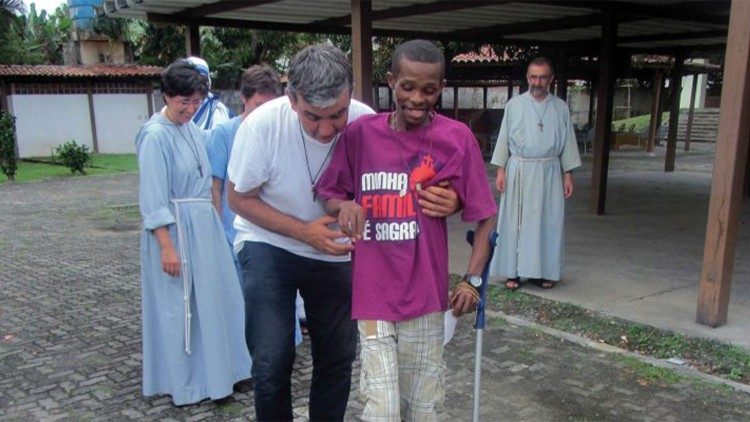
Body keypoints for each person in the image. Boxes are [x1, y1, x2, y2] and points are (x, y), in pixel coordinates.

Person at [226, 44, 461, 421]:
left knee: (336, 358)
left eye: (337, 114)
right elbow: (238, 199)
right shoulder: (261, 126)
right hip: (269, 244)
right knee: (271, 361)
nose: (326, 129)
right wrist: (304, 232)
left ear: (350, 95)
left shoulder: (365, 122)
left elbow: (404, 185)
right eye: (312, 117)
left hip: (335, 250)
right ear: (292, 99)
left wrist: (453, 202)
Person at [316, 39, 497, 421]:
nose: (417, 98)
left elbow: (486, 216)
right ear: (391, 82)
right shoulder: (360, 134)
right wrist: (344, 205)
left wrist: (472, 281)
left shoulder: (457, 139)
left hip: (426, 298)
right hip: (373, 296)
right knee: (382, 411)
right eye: (408, 87)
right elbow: (329, 192)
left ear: (440, 89)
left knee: (422, 410)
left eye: (429, 90)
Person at [135, 59, 251, 405]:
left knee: (216, 300)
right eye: (183, 102)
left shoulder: (189, 129)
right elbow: (153, 197)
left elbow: (217, 140)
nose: (190, 109)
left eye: (196, 102)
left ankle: (224, 373)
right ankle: (189, 382)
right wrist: (166, 246)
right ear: (167, 97)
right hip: (176, 231)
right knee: (182, 305)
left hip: (203, 226)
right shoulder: (155, 136)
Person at [205, 65, 304, 353]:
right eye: (258, 106)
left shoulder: (282, 130)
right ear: (243, 99)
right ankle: (245, 353)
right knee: (244, 297)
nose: (264, 113)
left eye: (270, 106)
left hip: (274, 227)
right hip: (234, 229)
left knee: (280, 293)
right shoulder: (224, 134)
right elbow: (216, 186)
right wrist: (216, 232)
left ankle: (285, 345)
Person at [489, 57, 582, 290]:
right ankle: (514, 272)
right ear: (527, 78)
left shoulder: (560, 107)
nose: (537, 81)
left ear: (550, 79)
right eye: (533, 76)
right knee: (516, 223)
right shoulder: (514, 105)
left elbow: (568, 142)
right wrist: (501, 170)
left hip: (549, 171)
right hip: (519, 169)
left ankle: (543, 272)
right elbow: (503, 139)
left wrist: (567, 173)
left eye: (542, 77)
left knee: (547, 222)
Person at [185, 56, 233, 131]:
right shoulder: (174, 109)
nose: (199, 85)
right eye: (193, 80)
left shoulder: (218, 112)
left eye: (203, 80)